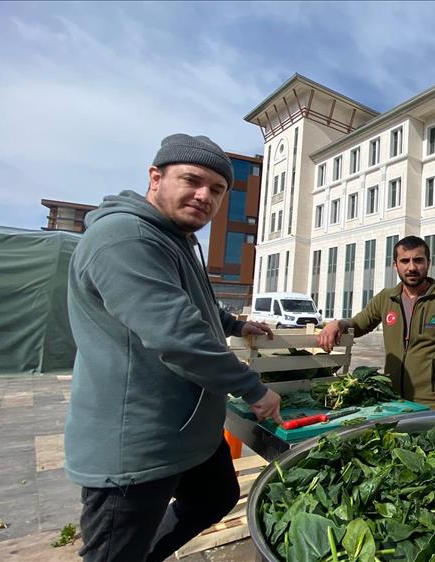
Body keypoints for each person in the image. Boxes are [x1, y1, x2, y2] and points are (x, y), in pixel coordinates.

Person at [65, 134, 284, 562]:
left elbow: (195, 299)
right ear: (155, 177)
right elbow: (179, 335)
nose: (204, 196)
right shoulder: (125, 239)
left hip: (184, 432)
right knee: (114, 551)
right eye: (192, 181)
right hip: (137, 442)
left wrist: (235, 322)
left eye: (217, 190)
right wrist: (253, 389)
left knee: (215, 496)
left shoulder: (175, 238)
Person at [318, 236, 435, 409]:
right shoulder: (386, 298)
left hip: (434, 402)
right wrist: (338, 323)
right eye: (405, 261)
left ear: (429, 262)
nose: (412, 267)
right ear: (395, 265)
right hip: (393, 399)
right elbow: (359, 324)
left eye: (418, 260)